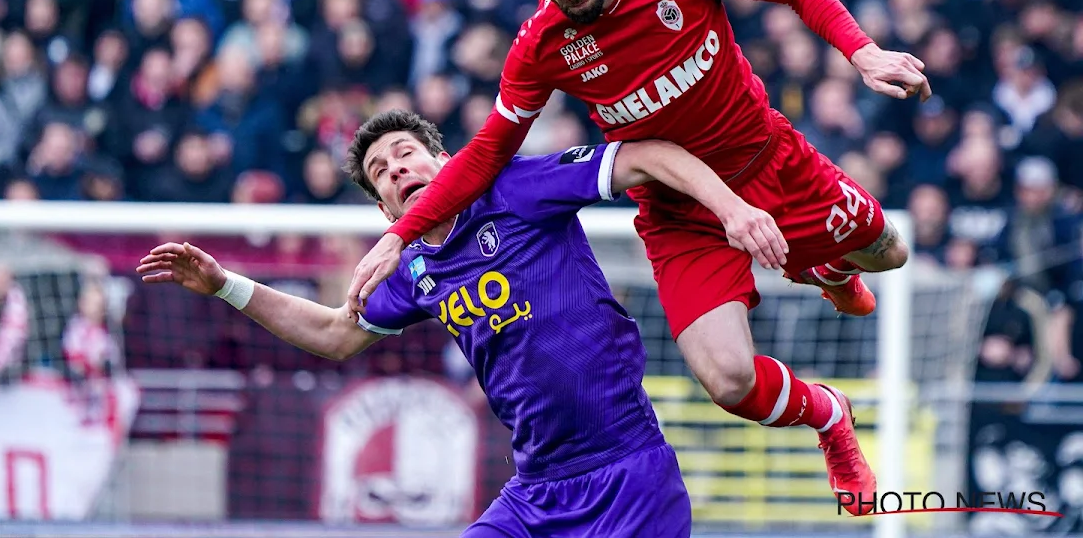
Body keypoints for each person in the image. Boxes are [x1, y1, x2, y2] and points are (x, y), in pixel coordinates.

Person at [348, 0, 935, 513]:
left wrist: (861, 51)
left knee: (888, 253)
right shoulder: (541, 45)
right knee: (728, 381)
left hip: (768, 160)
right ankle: (830, 416)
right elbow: (488, 150)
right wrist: (398, 235)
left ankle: (827, 266)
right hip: (680, 213)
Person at [139, 109, 810, 537]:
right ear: (384, 212)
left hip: (629, 477)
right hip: (535, 495)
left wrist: (731, 210)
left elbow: (646, 155)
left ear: (444, 159)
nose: (396, 168)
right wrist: (224, 285)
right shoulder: (414, 271)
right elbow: (335, 334)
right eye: (380, 172)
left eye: (405, 153)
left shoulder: (517, 188)